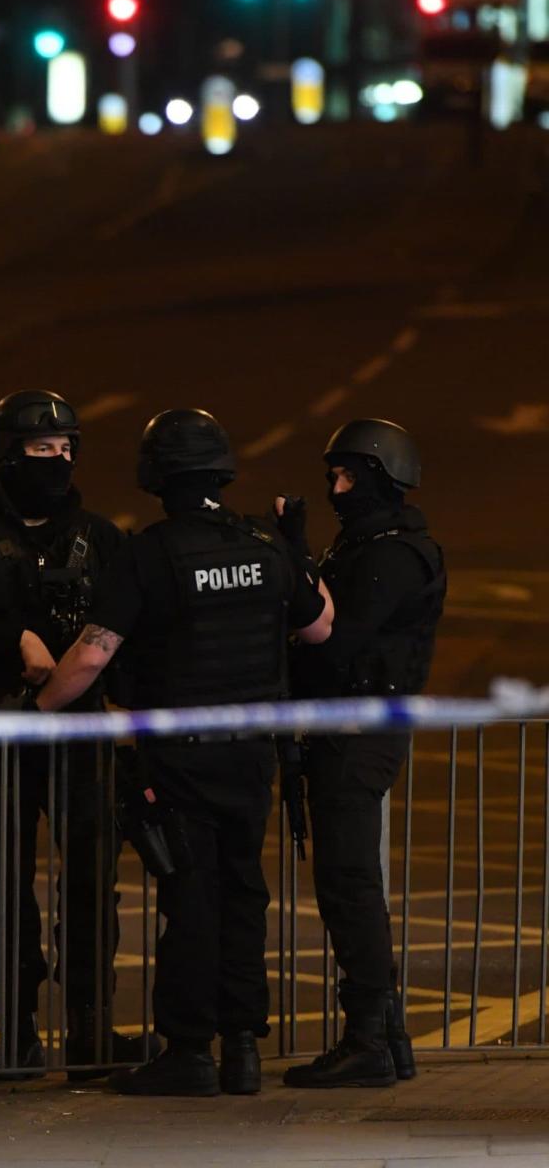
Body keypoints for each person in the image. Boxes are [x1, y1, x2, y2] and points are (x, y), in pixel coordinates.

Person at [36, 408, 333, 1097]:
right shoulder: (262, 543)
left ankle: (190, 1050)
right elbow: (318, 627)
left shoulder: (151, 555)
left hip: (183, 757)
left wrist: (36, 712)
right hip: (253, 754)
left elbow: (90, 657)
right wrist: (296, 548)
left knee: (190, 897)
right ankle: (243, 1050)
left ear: (154, 478)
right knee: (242, 894)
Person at [0, 389, 142, 1074]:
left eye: (66, 446)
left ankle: (90, 1030)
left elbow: (129, 631)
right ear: (5, 452)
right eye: (41, 448)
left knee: (89, 887)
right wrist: (11, 638)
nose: (58, 458)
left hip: (81, 738)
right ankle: (14, 1035)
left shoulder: (100, 537)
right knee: (7, 886)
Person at [280, 418, 446, 1089]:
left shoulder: (394, 554)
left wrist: (293, 555)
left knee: (349, 883)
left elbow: (340, 640)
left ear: (379, 477)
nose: (334, 488)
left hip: (361, 731)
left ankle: (368, 1040)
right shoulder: (366, 544)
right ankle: (390, 1036)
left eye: (347, 476)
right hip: (344, 728)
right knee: (348, 881)